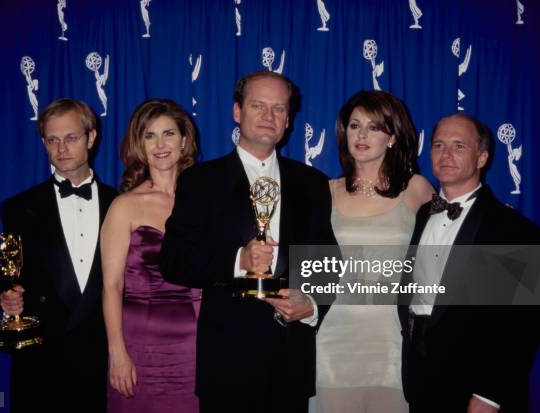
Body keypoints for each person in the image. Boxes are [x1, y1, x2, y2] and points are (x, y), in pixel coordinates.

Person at [159, 71, 337, 413]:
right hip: (227, 364)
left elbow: (328, 262)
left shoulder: (313, 183)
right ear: (237, 112)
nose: (269, 117)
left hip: (291, 363)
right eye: (258, 106)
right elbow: (174, 259)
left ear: (288, 120)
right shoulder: (200, 181)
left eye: (279, 108)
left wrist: (312, 305)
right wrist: (239, 260)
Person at [398, 113, 540, 412]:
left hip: (474, 389)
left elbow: (520, 324)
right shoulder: (424, 213)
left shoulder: (512, 228)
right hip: (420, 382)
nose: (446, 154)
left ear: (482, 157)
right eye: (438, 145)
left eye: (459, 146)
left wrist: (490, 394)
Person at [311, 91, 434, 413]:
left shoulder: (416, 188)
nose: (361, 135)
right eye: (354, 126)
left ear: (392, 137)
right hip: (331, 340)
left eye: (374, 127)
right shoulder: (324, 192)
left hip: (391, 342)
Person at [0, 98, 118, 412]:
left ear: (91, 138)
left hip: (103, 358)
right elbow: (8, 275)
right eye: (52, 140)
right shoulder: (18, 207)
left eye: (71, 138)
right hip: (41, 361)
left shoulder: (121, 204)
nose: (61, 148)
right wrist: (7, 297)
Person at [101, 99, 200, 413]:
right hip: (142, 346)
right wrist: (117, 353)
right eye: (149, 136)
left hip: (198, 344)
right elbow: (112, 286)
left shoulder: (205, 199)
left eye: (169, 133)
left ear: (184, 141)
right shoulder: (125, 206)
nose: (160, 145)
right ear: (139, 145)